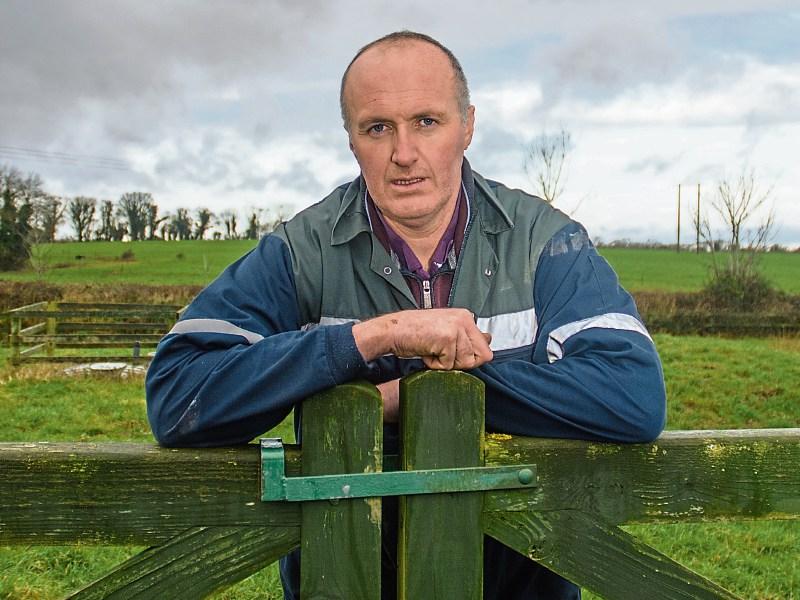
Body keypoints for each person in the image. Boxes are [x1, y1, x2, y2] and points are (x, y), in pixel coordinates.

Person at [146, 30, 666, 600]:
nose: (404, 154)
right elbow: (178, 396)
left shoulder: (545, 242)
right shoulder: (303, 251)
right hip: (345, 582)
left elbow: (633, 396)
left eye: (426, 121)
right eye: (377, 128)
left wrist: (412, 387)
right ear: (351, 140)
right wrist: (371, 340)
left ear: (467, 126)